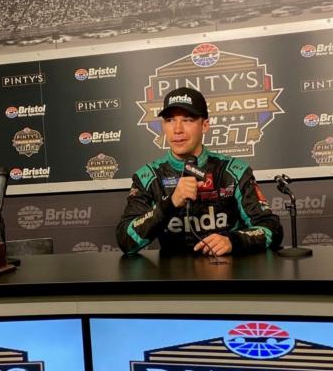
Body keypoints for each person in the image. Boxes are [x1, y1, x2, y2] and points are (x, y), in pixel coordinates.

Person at [116, 87, 283, 255]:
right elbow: (126, 240)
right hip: (171, 277)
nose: (177, 129)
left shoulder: (234, 171)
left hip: (227, 274)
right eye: (170, 120)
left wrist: (233, 240)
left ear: (205, 125)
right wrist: (170, 203)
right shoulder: (148, 176)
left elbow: (272, 228)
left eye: (188, 119)